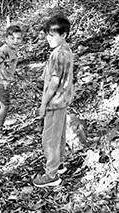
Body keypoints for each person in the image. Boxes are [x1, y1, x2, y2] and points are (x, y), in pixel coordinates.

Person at [33, 14, 74, 188]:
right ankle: (59, 164)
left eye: (52, 34)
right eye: (47, 34)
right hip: (62, 101)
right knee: (59, 134)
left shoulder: (57, 55)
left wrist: (43, 104)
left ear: (63, 35)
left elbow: (54, 82)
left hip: (54, 102)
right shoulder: (66, 50)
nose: (48, 38)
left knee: (49, 138)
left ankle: (51, 175)